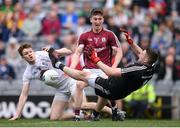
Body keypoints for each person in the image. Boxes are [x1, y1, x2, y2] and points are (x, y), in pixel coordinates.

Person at [48, 29, 159, 121]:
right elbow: (140, 52)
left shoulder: (137, 69)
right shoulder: (151, 66)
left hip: (112, 87)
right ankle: (97, 115)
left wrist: (95, 59)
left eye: (143, 53)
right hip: (120, 91)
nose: (140, 53)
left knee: (83, 75)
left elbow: (110, 72)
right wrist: (130, 42)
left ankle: (57, 64)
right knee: (103, 95)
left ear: (147, 59)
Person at [9, 43, 112, 121]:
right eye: (26, 54)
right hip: (60, 90)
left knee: (83, 105)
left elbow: (68, 52)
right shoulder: (28, 73)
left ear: (33, 51)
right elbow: (23, 95)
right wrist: (17, 114)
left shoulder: (43, 54)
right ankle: (82, 115)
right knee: (54, 118)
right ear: (23, 58)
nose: (29, 54)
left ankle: (113, 111)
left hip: (71, 81)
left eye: (30, 51)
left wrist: (55, 51)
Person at [70, 8, 123, 121]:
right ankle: (77, 116)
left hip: (104, 69)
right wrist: (71, 68)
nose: (97, 21)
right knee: (79, 85)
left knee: (105, 86)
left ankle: (112, 111)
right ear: (91, 20)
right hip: (89, 69)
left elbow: (119, 51)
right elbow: (77, 52)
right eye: (95, 19)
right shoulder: (84, 36)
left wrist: (112, 68)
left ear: (103, 20)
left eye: (99, 19)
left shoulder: (109, 34)